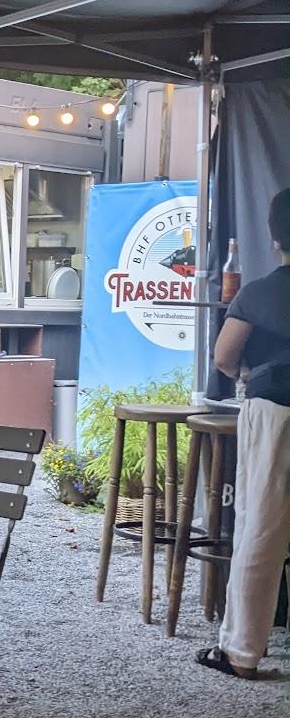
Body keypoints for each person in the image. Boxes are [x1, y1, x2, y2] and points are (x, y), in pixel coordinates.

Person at [197, 187, 290, 681]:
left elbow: (224, 357)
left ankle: (241, 653)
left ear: (276, 237)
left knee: (261, 529)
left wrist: (246, 376)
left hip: (274, 410)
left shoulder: (258, 292)